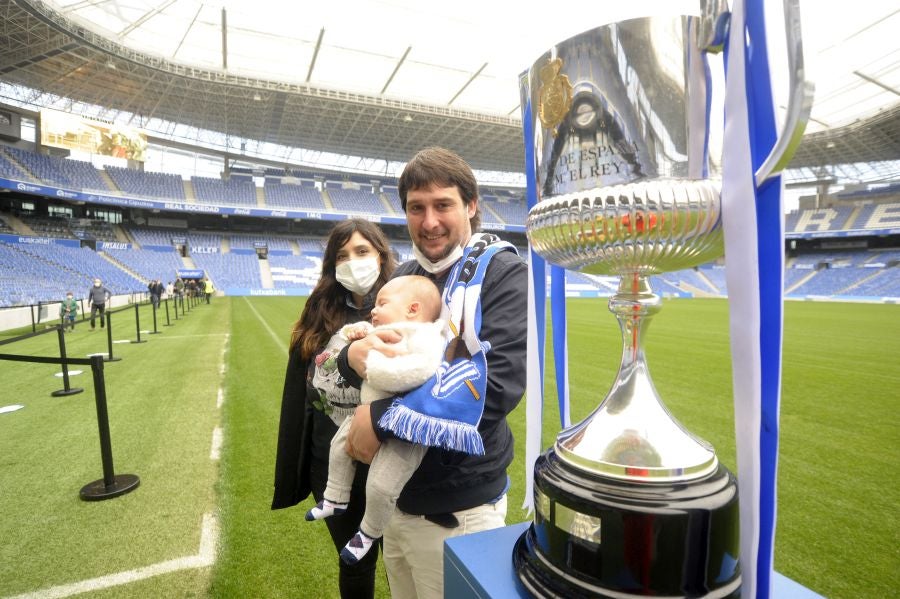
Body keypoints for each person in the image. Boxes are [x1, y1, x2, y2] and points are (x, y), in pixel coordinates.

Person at [337, 146, 528, 598]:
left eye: (443, 204)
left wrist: (380, 419)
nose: (429, 222)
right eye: (416, 208)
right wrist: (351, 357)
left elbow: (496, 386)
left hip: (458, 507)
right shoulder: (404, 276)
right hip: (397, 501)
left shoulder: (500, 272)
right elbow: (370, 354)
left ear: (471, 206)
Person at [272, 218, 396, 599]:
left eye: (361, 251)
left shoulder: (404, 306)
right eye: (342, 255)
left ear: (379, 254)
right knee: (354, 563)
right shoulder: (318, 314)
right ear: (331, 264)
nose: (352, 262)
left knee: (400, 560)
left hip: (392, 464)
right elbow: (300, 395)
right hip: (329, 467)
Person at [306, 275, 444, 565]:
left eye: (382, 303)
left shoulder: (426, 337)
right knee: (338, 448)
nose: (373, 310)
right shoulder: (385, 327)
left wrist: (373, 368)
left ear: (413, 309)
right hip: (366, 411)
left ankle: (367, 534)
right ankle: (335, 498)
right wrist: (356, 333)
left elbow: (419, 371)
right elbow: (354, 338)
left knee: (382, 486)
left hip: (405, 427)